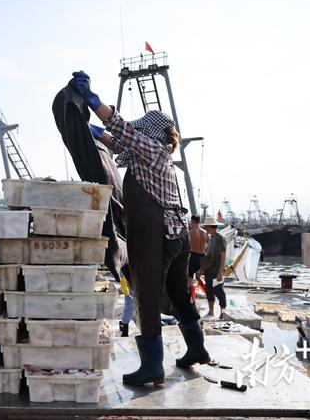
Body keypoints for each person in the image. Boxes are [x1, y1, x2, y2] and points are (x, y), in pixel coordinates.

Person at [70, 71, 209, 387]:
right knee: (178, 294)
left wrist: (92, 99)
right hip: (178, 238)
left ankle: (152, 367)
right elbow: (115, 140)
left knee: (145, 294)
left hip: (156, 235)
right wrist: (88, 128)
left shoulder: (152, 149)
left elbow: (120, 129)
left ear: (151, 133)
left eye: (140, 130)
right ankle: (197, 348)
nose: (135, 134)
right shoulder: (150, 155)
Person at [200, 216, 227, 319]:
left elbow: (223, 255)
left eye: (206, 227)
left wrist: (220, 272)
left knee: (219, 292)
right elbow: (207, 256)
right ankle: (211, 311)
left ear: (211, 227)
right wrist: (201, 270)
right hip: (209, 270)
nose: (206, 229)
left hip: (216, 271)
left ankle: (223, 312)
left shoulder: (220, 238)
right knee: (209, 292)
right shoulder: (211, 239)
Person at [188, 215, 207, 301]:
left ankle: (193, 298)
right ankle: (208, 293)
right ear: (199, 221)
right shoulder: (205, 232)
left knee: (190, 277)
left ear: (193, 221)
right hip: (202, 256)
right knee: (199, 277)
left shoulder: (190, 233)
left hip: (193, 255)